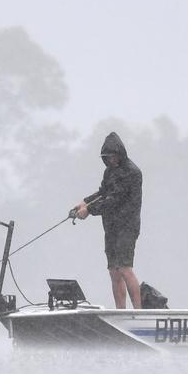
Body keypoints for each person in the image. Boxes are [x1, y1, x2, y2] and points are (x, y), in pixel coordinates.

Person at [73, 132, 143, 309]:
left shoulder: (132, 173)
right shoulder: (109, 172)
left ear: (120, 154)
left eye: (112, 157)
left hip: (127, 226)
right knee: (114, 270)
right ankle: (121, 312)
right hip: (111, 227)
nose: (110, 161)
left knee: (125, 268)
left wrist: (88, 210)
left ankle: (140, 311)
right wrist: (85, 202)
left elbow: (113, 200)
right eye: (107, 158)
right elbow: (103, 193)